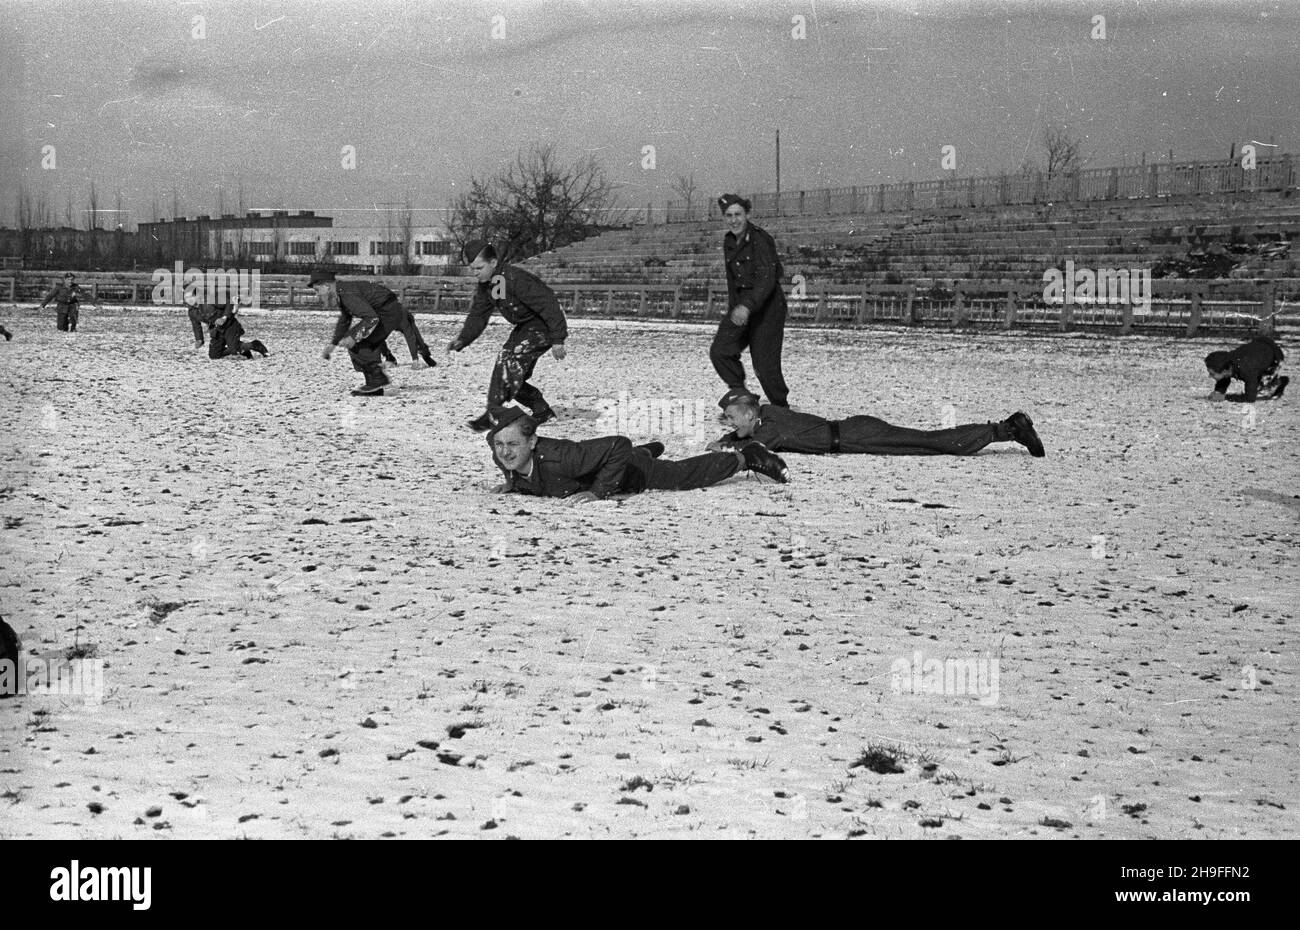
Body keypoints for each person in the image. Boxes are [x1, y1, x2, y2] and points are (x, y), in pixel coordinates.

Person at [487, 405, 790, 503]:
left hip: (628, 473)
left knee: (681, 477)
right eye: (499, 445)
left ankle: (745, 457)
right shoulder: (502, 453)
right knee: (633, 455)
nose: (504, 452)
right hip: (612, 462)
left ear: (532, 442)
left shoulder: (565, 457)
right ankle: (647, 450)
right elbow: (500, 448)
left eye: (512, 445)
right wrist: (512, 481)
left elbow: (617, 444)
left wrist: (598, 492)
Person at [708, 389, 1046, 457]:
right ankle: (1004, 430)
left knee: (931, 442)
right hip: (854, 434)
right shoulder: (769, 416)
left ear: (750, 412)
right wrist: (730, 436)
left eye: (734, 417)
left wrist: (727, 444)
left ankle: (1006, 428)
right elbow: (750, 434)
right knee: (927, 443)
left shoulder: (771, 424)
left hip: (856, 435)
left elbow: (757, 444)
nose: (732, 423)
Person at [448, 241, 568, 431]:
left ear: (494, 262)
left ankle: (493, 413)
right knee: (509, 372)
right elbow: (479, 313)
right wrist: (464, 338)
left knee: (508, 361)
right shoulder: (490, 284)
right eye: (473, 269)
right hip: (525, 326)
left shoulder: (514, 278)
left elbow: (549, 304)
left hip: (542, 325)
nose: (476, 273)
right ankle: (541, 410)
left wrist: (558, 339)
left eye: (480, 268)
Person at [710, 194, 790, 409]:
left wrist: (746, 306)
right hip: (743, 304)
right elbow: (732, 281)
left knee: (765, 365)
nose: (734, 220)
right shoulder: (729, 241)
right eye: (729, 215)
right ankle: (742, 393)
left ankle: (781, 407)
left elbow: (767, 279)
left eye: (738, 214)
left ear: (747, 215)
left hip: (768, 307)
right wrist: (734, 309)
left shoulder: (760, 239)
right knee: (720, 350)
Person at [311, 271, 410, 396]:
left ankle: (377, 381)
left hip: (388, 312)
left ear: (326, 286)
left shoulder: (346, 294)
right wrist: (333, 344)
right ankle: (373, 384)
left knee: (360, 343)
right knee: (356, 342)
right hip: (387, 311)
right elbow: (345, 320)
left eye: (317, 290)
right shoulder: (342, 292)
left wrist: (354, 337)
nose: (317, 295)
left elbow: (371, 318)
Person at [1205, 336, 1287, 402]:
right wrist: (1218, 392)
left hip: (1274, 357)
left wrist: (1225, 397)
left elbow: (1250, 398)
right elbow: (1224, 377)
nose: (1209, 376)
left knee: (1264, 393)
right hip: (1258, 347)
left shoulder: (1246, 370)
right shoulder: (1228, 363)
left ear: (1225, 370)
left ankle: (1280, 381)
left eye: (1212, 374)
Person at [189, 301, 268, 359]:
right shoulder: (192, 312)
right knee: (214, 355)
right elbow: (196, 326)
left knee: (234, 348)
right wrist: (199, 339)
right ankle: (243, 350)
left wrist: (224, 317)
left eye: (190, 296)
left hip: (229, 325)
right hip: (216, 330)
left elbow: (228, 303)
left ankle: (255, 345)